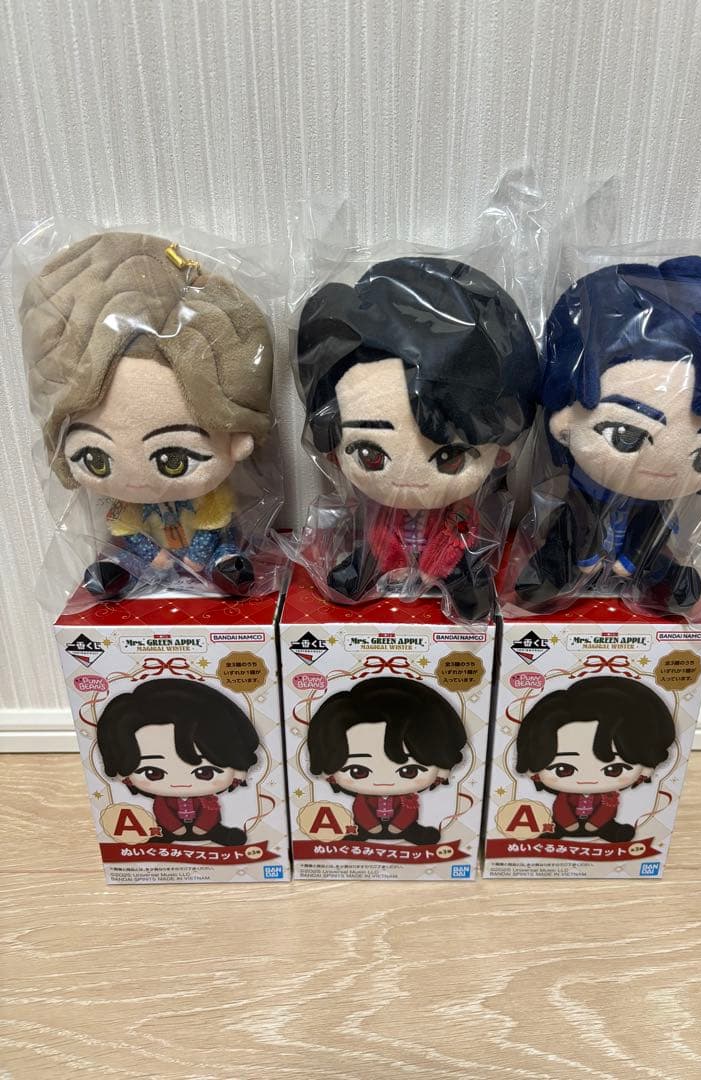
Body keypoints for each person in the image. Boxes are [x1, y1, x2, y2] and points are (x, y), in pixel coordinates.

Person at [20, 231, 274, 599]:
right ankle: (114, 576)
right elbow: (127, 531)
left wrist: (196, 559)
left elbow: (212, 526)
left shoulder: (209, 499)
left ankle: (227, 570)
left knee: (226, 549)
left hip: (204, 554)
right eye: (96, 458)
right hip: (153, 557)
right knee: (125, 557)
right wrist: (154, 556)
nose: (138, 481)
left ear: (237, 440)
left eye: (174, 459)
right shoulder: (126, 506)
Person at [514, 256, 701, 613]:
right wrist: (581, 557)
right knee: (566, 536)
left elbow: (653, 529)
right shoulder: (580, 492)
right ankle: (559, 568)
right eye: (624, 435)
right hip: (577, 550)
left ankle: (660, 579)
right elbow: (573, 522)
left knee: (656, 557)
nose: (663, 465)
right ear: (563, 421)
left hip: (640, 560)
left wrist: (631, 561)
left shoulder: (660, 508)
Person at [296, 256, 539, 620]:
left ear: (500, 452)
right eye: (370, 454)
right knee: (373, 544)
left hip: (445, 549)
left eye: (449, 456)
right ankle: (372, 566)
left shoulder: (458, 507)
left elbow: (462, 530)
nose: (408, 479)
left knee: (459, 559)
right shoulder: (376, 509)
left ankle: (459, 578)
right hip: (386, 548)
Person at [97, 679, 260, 846]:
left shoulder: (208, 799)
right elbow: (162, 812)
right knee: (161, 835)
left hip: (206, 828)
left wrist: (202, 827)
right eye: (153, 773)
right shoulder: (163, 801)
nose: (180, 783)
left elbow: (210, 812)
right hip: (171, 829)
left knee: (216, 830)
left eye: (205, 772)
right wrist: (175, 828)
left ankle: (220, 835)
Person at [306, 677, 467, 845]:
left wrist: (398, 826)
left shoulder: (408, 799)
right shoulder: (364, 799)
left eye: (409, 771)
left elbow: (408, 812)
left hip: (403, 827)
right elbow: (361, 810)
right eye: (358, 771)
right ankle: (363, 834)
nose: (383, 781)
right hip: (368, 827)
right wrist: (371, 826)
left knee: (411, 828)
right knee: (358, 831)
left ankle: (410, 832)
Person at [515, 676, 676, 842]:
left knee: (611, 829)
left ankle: (613, 833)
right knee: (555, 828)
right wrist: (569, 824)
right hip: (566, 824)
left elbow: (607, 810)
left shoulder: (609, 798)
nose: (588, 779)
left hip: (602, 825)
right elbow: (561, 808)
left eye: (613, 769)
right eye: (563, 769)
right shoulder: (565, 797)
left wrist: (595, 824)